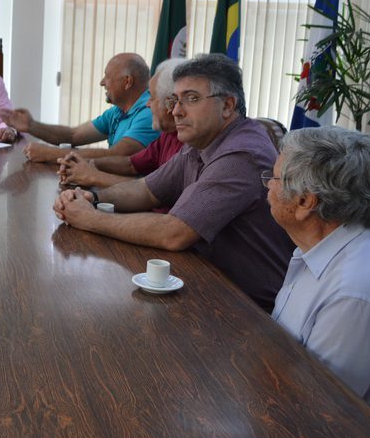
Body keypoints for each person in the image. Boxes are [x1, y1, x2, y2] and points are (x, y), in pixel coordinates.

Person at [53, 54, 293, 311]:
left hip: (248, 309)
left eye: (191, 98)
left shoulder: (241, 155)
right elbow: (146, 190)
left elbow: (175, 233)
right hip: (207, 283)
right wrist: (93, 198)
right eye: (175, 100)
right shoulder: (200, 141)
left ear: (227, 105)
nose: (176, 111)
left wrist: (90, 218)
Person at [266, 126, 370, 425]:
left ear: (305, 202)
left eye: (274, 178)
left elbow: (319, 411)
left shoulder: (353, 293)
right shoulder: (330, 245)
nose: (268, 186)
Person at [0, 53, 159, 163]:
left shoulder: (149, 112)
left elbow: (117, 156)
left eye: (108, 77)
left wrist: (50, 154)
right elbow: (73, 135)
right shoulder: (118, 111)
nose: (102, 82)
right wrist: (31, 125)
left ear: (127, 82)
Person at [58, 58, 186, 189]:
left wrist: (92, 176)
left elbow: (153, 190)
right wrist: (87, 164)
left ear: (170, 104)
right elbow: (130, 164)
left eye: (152, 98)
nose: (148, 104)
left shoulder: (188, 145)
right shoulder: (167, 136)